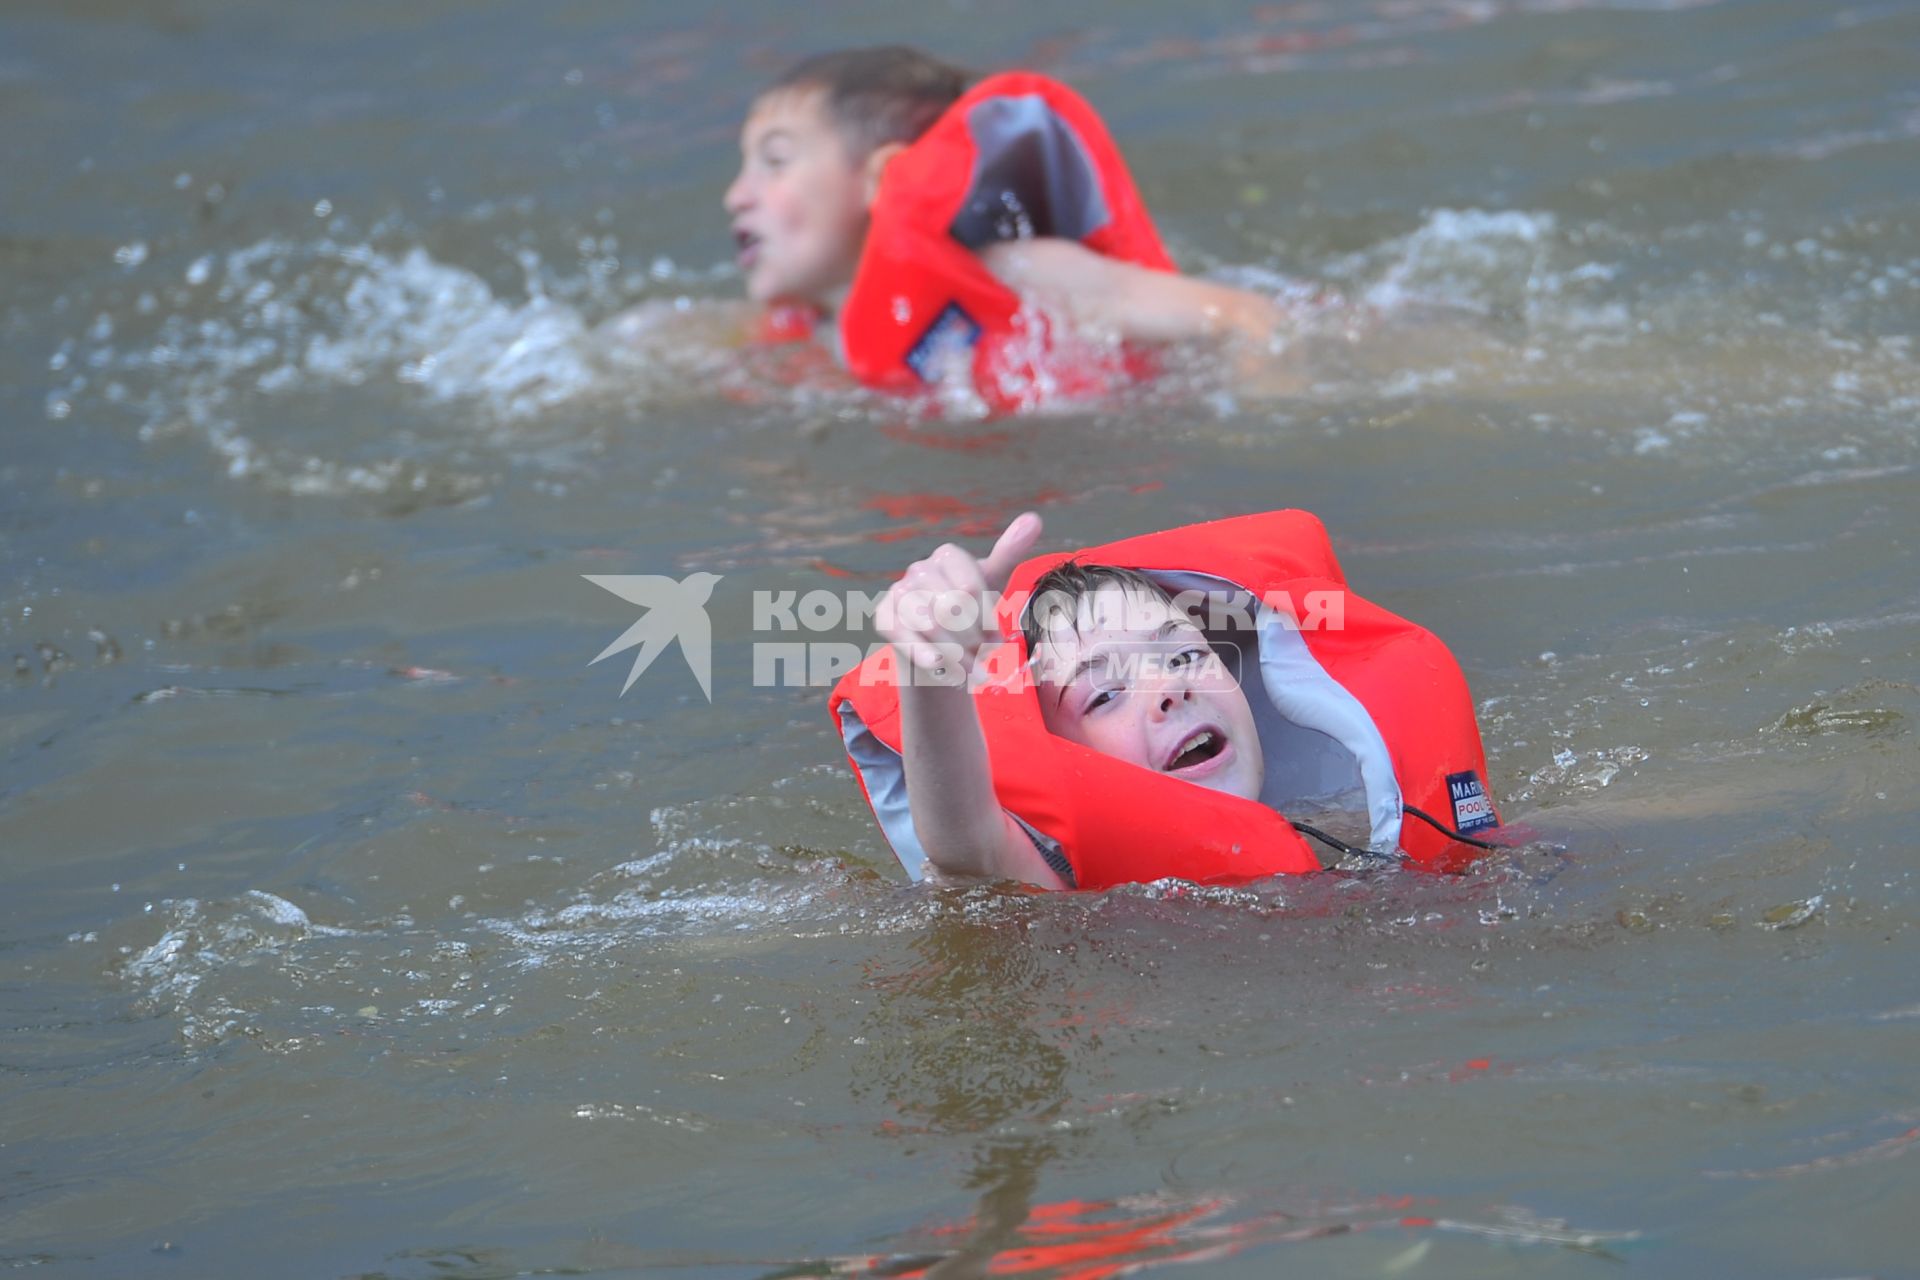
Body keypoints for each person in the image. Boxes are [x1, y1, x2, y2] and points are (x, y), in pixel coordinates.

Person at [723, 46, 1285, 377]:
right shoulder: (809, 331)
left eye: (774, 161)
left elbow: (1248, 317)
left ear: (881, 177)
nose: (736, 195)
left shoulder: (1017, 271)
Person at [875, 511, 1269, 888]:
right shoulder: (1067, 889)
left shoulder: (1325, 824)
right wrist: (929, 671)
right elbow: (966, 844)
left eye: (1185, 657)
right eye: (1106, 695)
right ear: (1064, 760)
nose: (1169, 687)